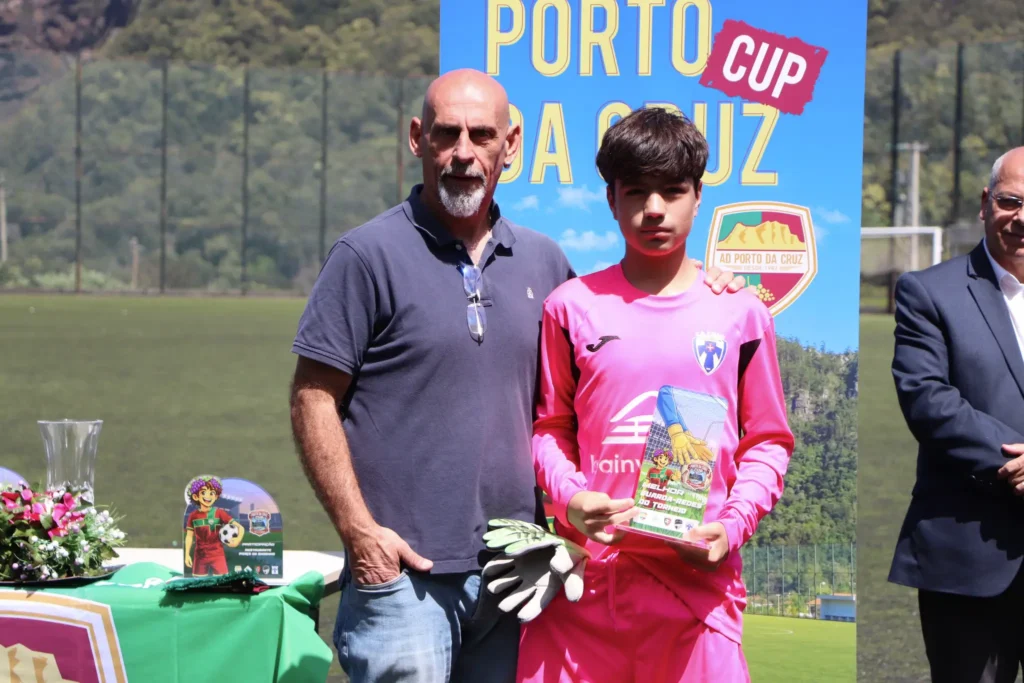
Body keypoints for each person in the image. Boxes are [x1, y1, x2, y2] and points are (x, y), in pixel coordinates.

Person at [287, 69, 747, 683]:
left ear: (512, 144)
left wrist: (712, 289)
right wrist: (360, 534)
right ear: (418, 139)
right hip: (404, 579)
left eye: (481, 135)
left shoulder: (546, 262)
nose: (463, 153)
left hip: (517, 576)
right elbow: (312, 397)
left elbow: (600, 372)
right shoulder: (366, 255)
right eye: (447, 134)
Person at [515, 106, 794, 683]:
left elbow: (768, 442)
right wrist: (570, 499)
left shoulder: (739, 312)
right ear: (612, 199)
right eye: (636, 191)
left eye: (672, 190)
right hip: (582, 587)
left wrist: (733, 524)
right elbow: (548, 429)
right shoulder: (570, 307)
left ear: (698, 196)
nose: (654, 209)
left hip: (698, 595)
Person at [889, 146, 1024, 683]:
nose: (1023, 217)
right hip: (967, 555)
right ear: (986, 203)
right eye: (1012, 201)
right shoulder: (929, 291)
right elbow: (928, 399)